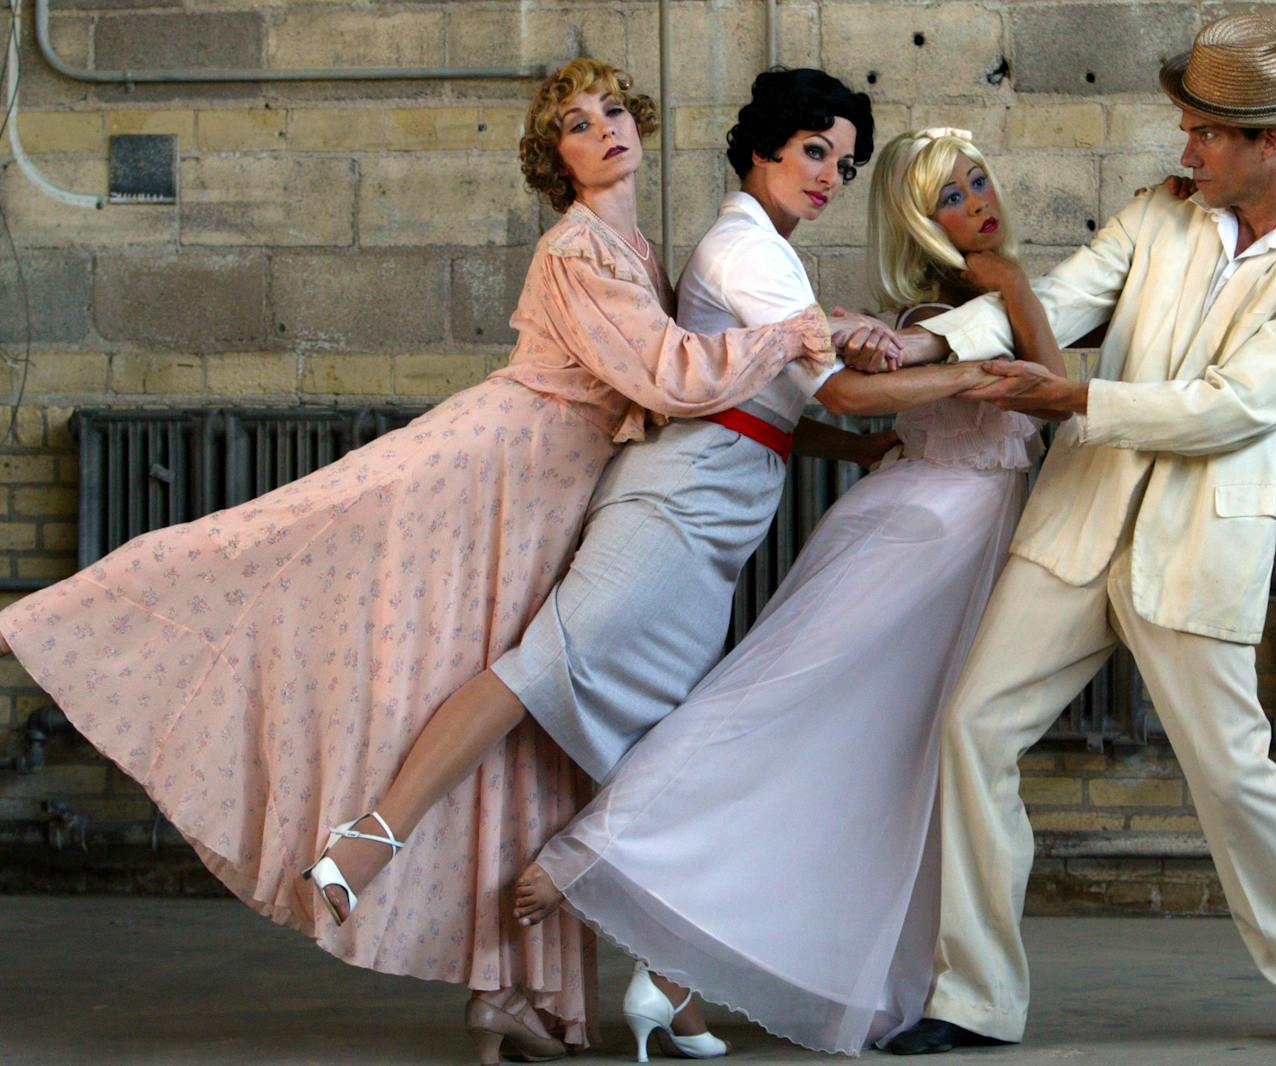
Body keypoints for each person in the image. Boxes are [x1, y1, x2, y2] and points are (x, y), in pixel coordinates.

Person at [0, 57, 836, 1064]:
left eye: (613, 110)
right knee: (304, 555)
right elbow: (664, 373)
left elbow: (660, 384)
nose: (604, 129)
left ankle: (514, 995)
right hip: (500, 464)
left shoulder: (633, 242)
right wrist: (799, 333)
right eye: (577, 123)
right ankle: (350, 823)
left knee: (521, 726)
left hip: (556, 490)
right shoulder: (577, 245)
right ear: (555, 157)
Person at [307, 67, 991, 1053]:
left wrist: (854, 447)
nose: (828, 177)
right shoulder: (743, 250)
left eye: (841, 165)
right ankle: (363, 846)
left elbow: (769, 411)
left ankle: (664, 995)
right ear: (759, 150)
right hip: (675, 509)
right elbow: (824, 391)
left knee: (653, 750)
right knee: (537, 672)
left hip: (716, 517)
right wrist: (972, 375)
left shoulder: (756, 259)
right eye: (812, 153)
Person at [878, 14, 1276, 1056]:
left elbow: (1227, 408)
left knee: (1230, 773)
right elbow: (1061, 295)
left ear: (1268, 143)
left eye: (1203, 132)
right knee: (972, 728)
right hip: (1075, 522)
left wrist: (1074, 401)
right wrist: (921, 337)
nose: (1183, 149)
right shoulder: (1157, 214)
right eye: (1185, 126)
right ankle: (969, 998)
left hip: (1198, 545)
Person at [511, 126, 1068, 1058]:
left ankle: (677, 970)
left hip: (952, 535)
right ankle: (599, 851)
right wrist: (1006, 292)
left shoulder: (946, 306)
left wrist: (998, 297)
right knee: (780, 709)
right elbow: (1047, 392)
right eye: (949, 198)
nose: (978, 205)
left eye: (978, 182)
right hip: (921, 531)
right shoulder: (943, 309)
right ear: (918, 224)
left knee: (873, 755)